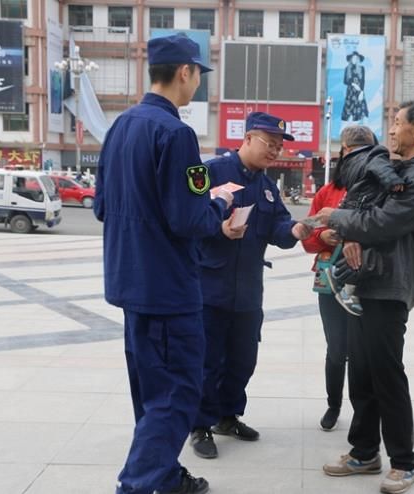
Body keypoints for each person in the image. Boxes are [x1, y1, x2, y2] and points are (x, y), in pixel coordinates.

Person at [94, 34, 232, 494]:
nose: (197, 85)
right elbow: (189, 217)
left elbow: (99, 207)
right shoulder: (176, 134)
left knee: (152, 397)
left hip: (130, 286)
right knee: (176, 397)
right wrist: (218, 204)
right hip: (170, 291)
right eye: (198, 75)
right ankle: (136, 486)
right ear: (185, 73)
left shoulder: (119, 128)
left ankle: (166, 477)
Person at [315, 100, 414, 494]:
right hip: (368, 280)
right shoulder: (397, 170)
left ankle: (404, 462)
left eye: (397, 123)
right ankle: (364, 451)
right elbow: (364, 215)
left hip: (392, 285)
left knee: (387, 375)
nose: (391, 129)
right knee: (362, 372)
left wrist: (334, 218)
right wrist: (350, 231)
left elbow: (382, 223)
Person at [190, 112, 312, 459]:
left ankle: (228, 417)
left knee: (243, 360)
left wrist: (296, 231)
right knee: (207, 361)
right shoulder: (211, 172)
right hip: (209, 288)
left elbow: (279, 228)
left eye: (278, 146)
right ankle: (199, 425)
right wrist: (219, 229)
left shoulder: (267, 187)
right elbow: (187, 219)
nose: (274, 151)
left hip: (247, 294)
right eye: (268, 143)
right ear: (246, 139)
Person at [323, 125, 405, 316]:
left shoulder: (349, 165)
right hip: (362, 208)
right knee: (360, 253)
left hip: (352, 207)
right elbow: (381, 169)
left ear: (346, 148)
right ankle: (342, 280)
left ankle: (345, 285)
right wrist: (393, 181)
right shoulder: (375, 157)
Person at [301, 155, 350, 432]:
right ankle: (334, 404)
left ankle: (365, 407)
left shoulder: (378, 190)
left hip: (367, 278)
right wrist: (321, 237)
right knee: (336, 348)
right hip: (330, 277)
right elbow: (307, 236)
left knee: (364, 350)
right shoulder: (327, 192)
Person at [341, 51, 369, 123]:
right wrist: (353, 84)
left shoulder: (361, 68)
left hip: (359, 91)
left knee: (360, 108)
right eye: (353, 58)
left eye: (356, 58)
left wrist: (361, 91)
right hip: (350, 92)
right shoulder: (347, 68)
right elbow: (345, 81)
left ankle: (358, 123)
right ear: (350, 59)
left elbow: (363, 81)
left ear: (358, 59)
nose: (354, 60)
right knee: (348, 109)